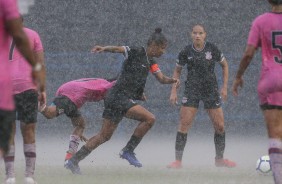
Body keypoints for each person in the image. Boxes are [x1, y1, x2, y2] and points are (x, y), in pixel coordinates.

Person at [64, 28, 180, 174]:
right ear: (154, 45)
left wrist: (173, 80)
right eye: (162, 48)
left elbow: (162, 78)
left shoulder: (151, 62)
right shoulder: (137, 51)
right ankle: (128, 150)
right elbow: (119, 49)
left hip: (115, 98)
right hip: (118, 96)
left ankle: (73, 161)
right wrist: (104, 48)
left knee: (103, 136)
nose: (163, 52)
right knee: (149, 118)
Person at [167, 24, 236, 169]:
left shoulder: (212, 49)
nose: (197, 35)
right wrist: (173, 91)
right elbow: (177, 71)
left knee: (220, 126)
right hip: (192, 90)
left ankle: (219, 159)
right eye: (194, 33)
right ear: (191, 34)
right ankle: (177, 161)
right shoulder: (186, 51)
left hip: (210, 90)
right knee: (184, 124)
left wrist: (224, 87)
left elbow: (225, 65)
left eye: (200, 33)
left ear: (205, 35)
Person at [232, 1, 282, 183]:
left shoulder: (261, 21)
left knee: (275, 134)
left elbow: (248, 53)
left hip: (272, 79)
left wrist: (238, 76)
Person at [0, 0, 45, 172]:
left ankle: (10, 176)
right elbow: (40, 64)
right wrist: (42, 89)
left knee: (8, 132)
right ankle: (29, 176)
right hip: (27, 86)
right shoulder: (32, 34)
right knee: (29, 131)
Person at [40, 78, 116, 161]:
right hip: (72, 94)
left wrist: (77, 131)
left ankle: (69, 158)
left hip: (66, 90)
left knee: (80, 125)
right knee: (49, 114)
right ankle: (34, 101)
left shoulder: (101, 81)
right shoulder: (108, 86)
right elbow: (110, 102)